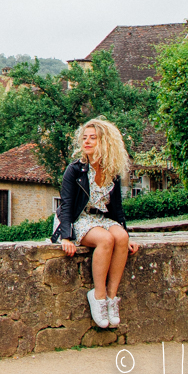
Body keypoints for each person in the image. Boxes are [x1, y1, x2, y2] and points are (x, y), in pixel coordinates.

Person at [50, 118, 138, 329]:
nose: (87, 142)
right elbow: (67, 205)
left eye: (93, 138)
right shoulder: (75, 170)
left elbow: (116, 209)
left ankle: (111, 298)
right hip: (77, 218)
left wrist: (126, 235)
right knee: (105, 240)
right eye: (85, 138)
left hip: (100, 218)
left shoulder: (112, 171)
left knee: (121, 238)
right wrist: (66, 236)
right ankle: (98, 297)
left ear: (105, 142)